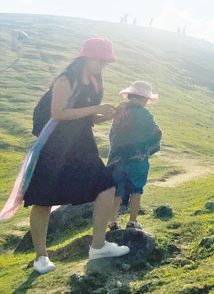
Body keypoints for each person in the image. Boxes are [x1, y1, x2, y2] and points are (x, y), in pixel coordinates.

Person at [0, 38, 130, 274]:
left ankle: (98, 245)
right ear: (86, 57)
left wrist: (110, 116)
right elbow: (58, 113)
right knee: (43, 200)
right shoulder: (65, 79)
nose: (103, 65)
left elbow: (87, 119)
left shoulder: (95, 81)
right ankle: (41, 257)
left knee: (107, 186)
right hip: (55, 145)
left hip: (82, 143)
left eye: (106, 61)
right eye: (99, 60)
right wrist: (95, 109)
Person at [107, 81, 162, 231]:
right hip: (137, 158)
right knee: (136, 189)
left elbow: (113, 135)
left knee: (116, 190)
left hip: (117, 158)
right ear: (143, 99)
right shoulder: (145, 114)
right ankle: (133, 220)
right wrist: (147, 150)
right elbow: (156, 133)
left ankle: (112, 220)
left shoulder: (119, 113)